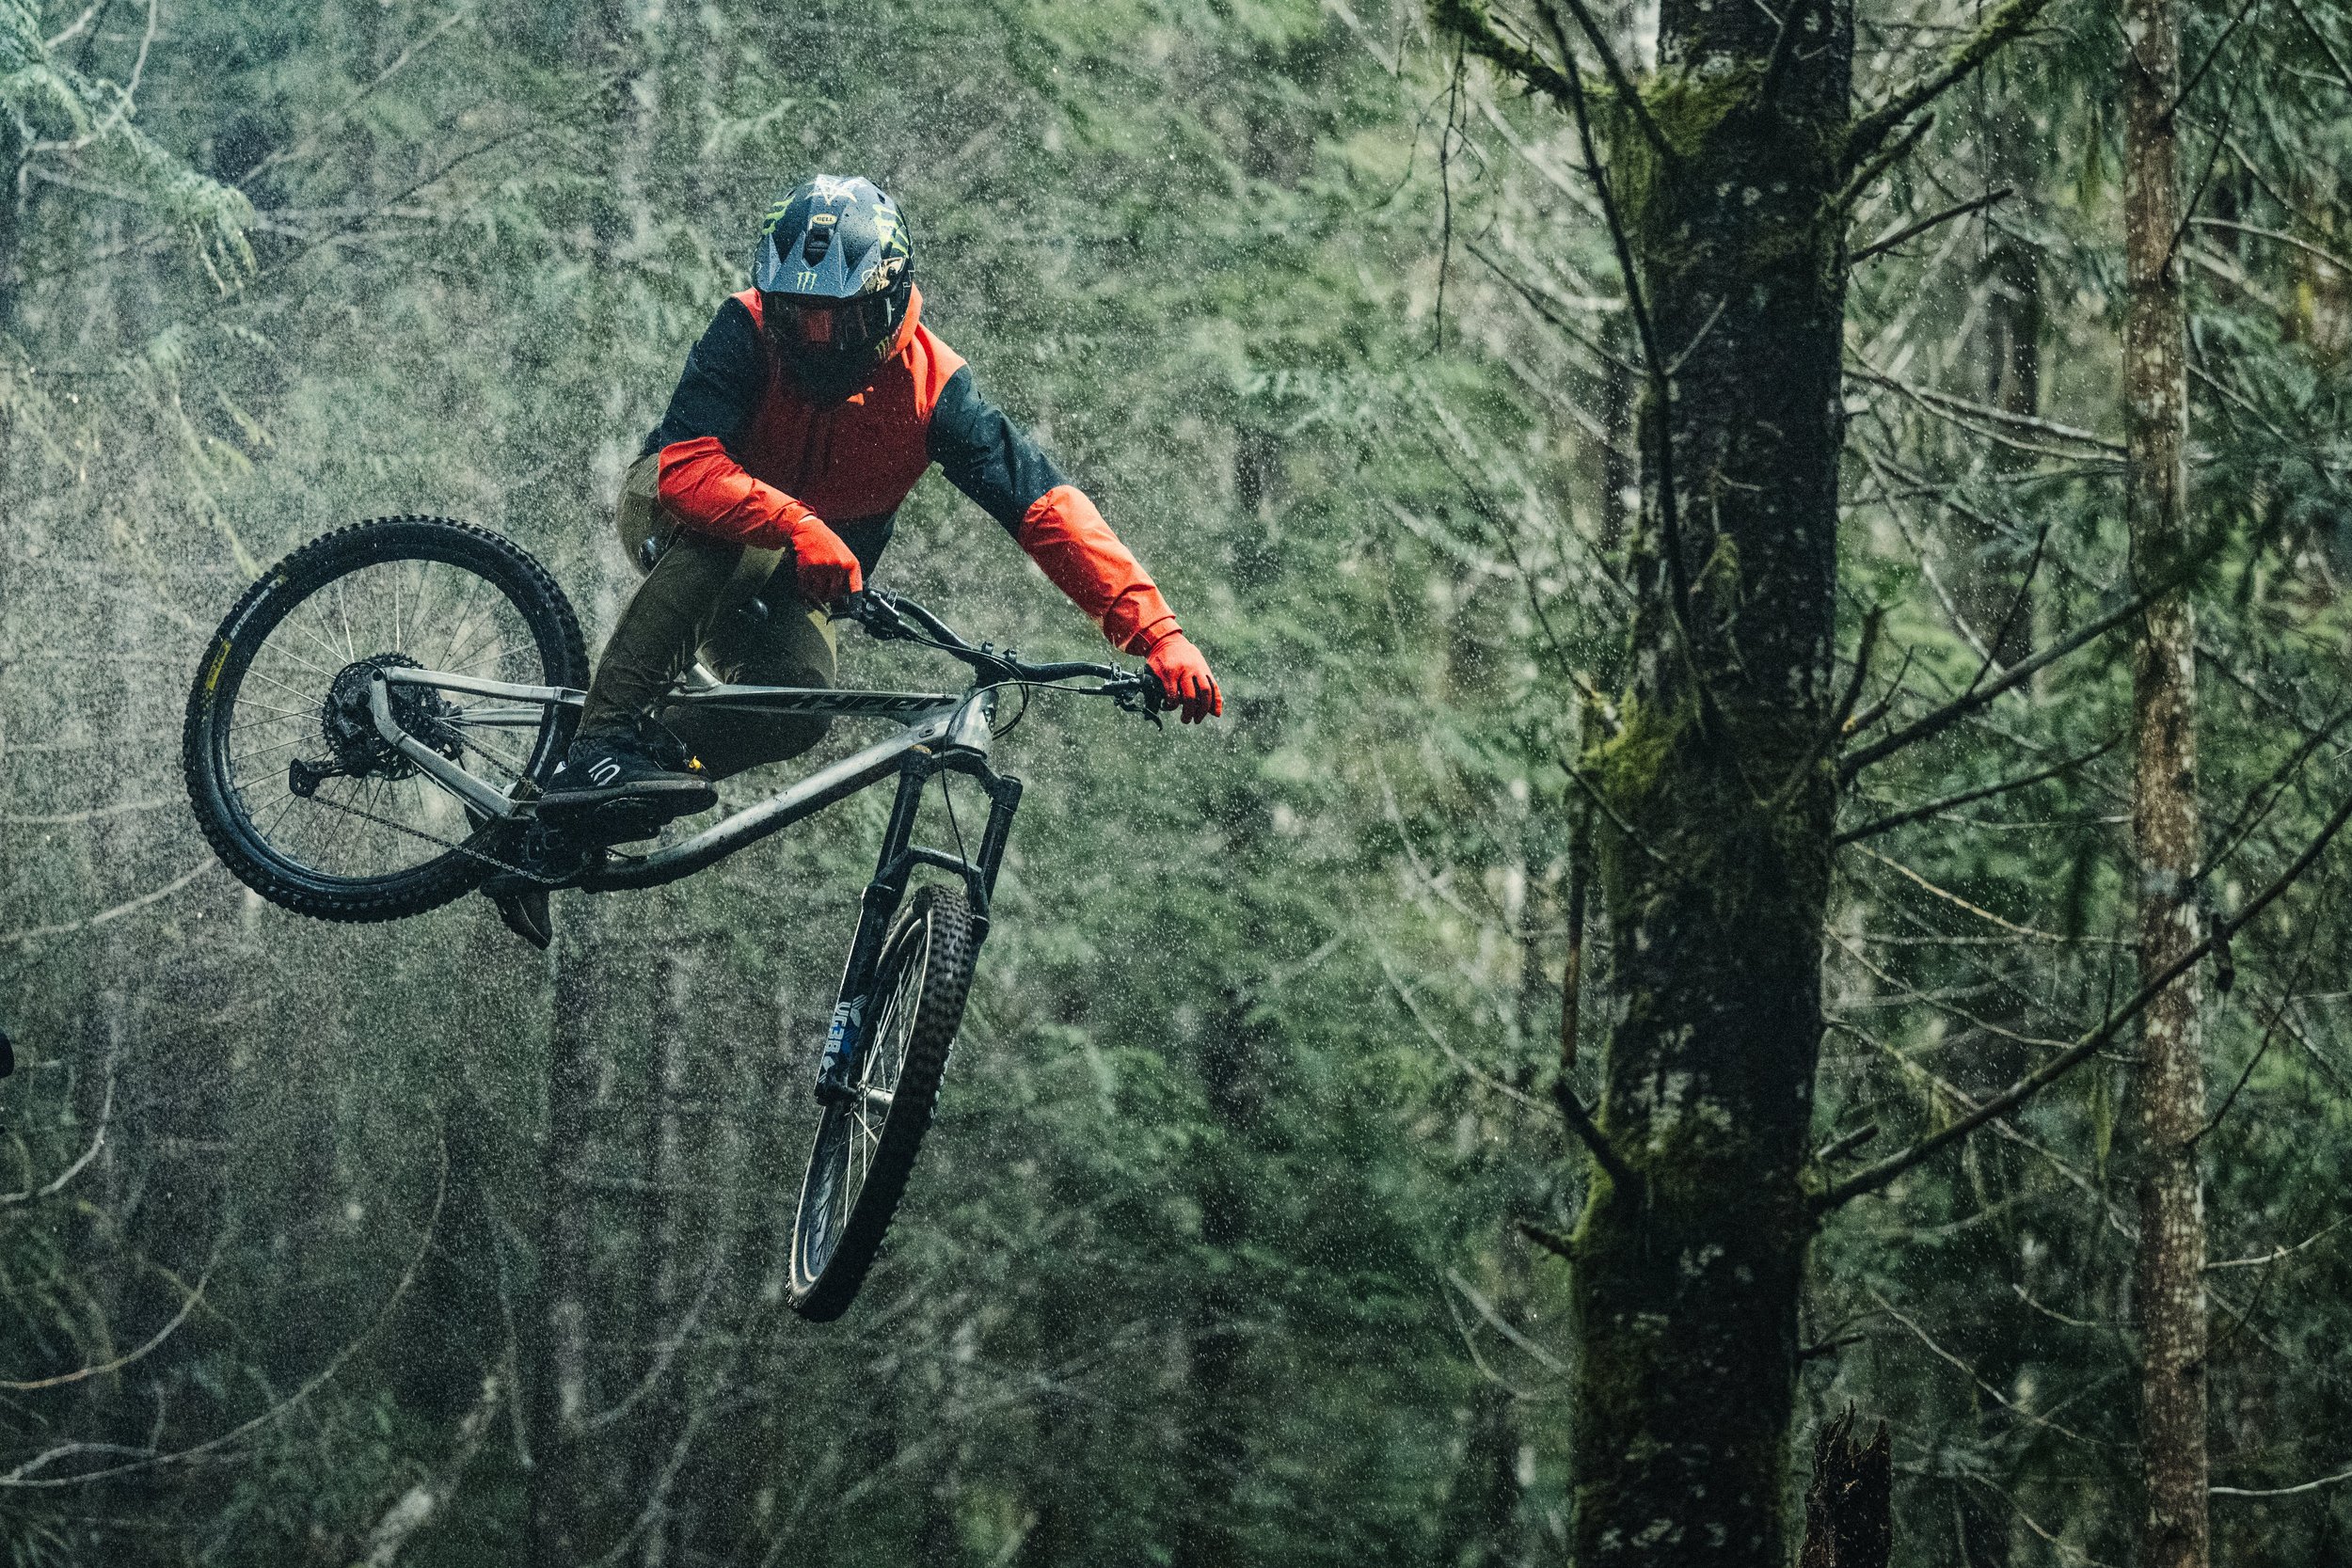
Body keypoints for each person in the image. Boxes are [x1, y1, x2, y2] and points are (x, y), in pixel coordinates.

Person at [487, 175, 1222, 946]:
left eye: (839, 321)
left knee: (802, 699)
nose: (815, 340)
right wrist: (797, 523)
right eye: (796, 316)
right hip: (679, 511)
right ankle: (598, 748)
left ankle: (615, 784)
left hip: (792, 577)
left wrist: (1158, 633)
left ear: (888, 304)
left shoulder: (934, 390)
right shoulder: (744, 327)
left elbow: (1047, 511)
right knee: (736, 541)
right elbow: (687, 470)